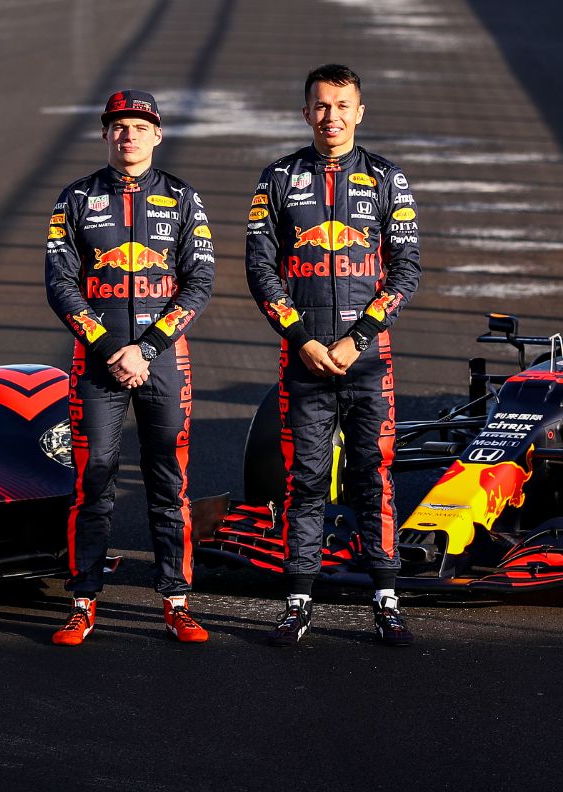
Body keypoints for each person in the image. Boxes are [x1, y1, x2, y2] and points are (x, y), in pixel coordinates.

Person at [245, 64, 421, 647]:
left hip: (369, 360)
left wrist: (357, 339)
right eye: (321, 106)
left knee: (375, 476)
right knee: (306, 479)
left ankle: (387, 598)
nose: (332, 117)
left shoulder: (389, 180)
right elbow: (260, 270)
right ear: (305, 113)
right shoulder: (276, 179)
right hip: (304, 357)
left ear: (360, 112)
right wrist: (305, 340)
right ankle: (297, 600)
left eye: (343, 106)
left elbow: (406, 272)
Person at [44, 90, 217, 646]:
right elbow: (59, 284)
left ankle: (177, 601)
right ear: (105, 135)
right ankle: (83, 601)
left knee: (170, 482)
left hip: (165, 360)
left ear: (157, 135)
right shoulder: (75, 198)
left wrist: (147, 348)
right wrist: (106, 345)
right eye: (120, 127)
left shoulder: (184, 198)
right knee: (94, 483)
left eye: (140, 127)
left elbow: (200, 282)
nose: (130, 136)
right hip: (96, 362)